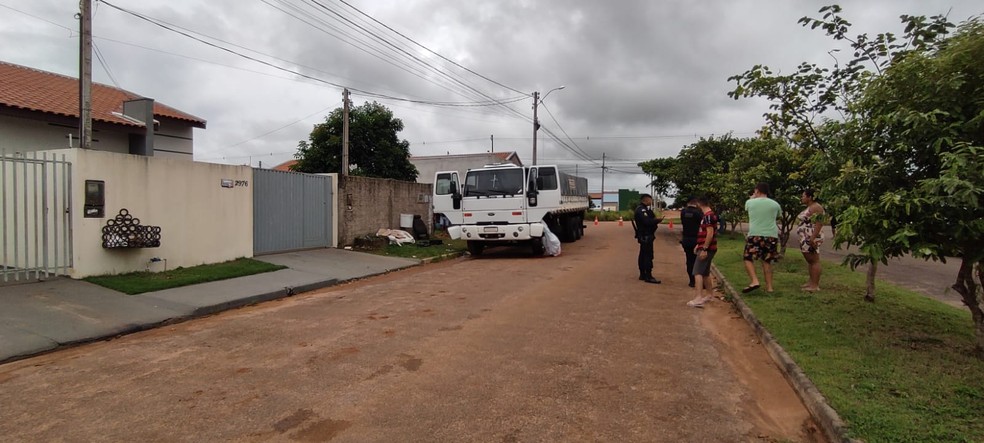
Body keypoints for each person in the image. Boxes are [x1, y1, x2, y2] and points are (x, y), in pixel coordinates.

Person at [742, 182, 781, 293]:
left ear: (757, 191)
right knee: (767, 260)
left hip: (755, 234)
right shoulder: (775, 204)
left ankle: (754, 280)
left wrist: (752, 198)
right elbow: (778, 216)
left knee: (748, 257)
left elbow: (747, 209)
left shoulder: (750, 202)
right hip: (771, 235)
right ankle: (769, 287)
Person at [687, 196, 719, 307]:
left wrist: (704, 248)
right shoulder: (708, 216)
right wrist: (699, 244)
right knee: (705, 272)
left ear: (699, 204)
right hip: (706, 246)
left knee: (697, 272)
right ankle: (709, 294)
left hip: (707, 248)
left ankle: (698, 297)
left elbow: (710, 233)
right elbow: (706, 233)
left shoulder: (708, 216)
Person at [797, 189, 825, 292]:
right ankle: (811, 281)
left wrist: (812, 238)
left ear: (810, 197)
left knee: (814, 260)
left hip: (811, 236)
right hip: (806, 236)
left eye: (803, 196)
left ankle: (815, 285)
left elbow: (819, 223)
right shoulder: (810, 207)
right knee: (810, 260)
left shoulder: (817, 207)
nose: (802, 198)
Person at [634, 194, 662, 284]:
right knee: (647, 256)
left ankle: (643, 274)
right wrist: (657, 220)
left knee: (643, 254)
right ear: (645, 200)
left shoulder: (646, 209)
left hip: (647, 235)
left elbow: (651, 217)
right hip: (645, 236)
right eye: (650, 200)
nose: (651, 201)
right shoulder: (641, 210)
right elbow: (647, 222)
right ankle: (648, 275)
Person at [679, 197, 703, 288]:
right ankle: (699, 282)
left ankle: (692, 281)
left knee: (689, 260)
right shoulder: (698, 213)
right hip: (696, 239)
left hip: (686, 239)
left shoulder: (683, 212)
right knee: (698, 261)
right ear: (696, 202)